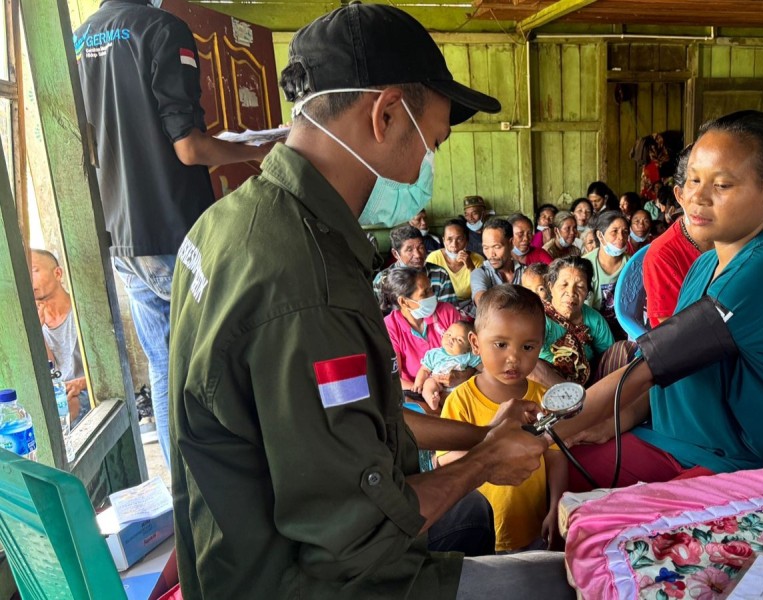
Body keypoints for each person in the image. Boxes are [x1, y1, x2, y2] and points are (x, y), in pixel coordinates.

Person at [168, 5, 572, 598]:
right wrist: (483, 466)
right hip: (311, 582)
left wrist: (480, 438)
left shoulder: (231, 222)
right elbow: (361, 540)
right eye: (431, 144)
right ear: (384, 114)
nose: (426, 167)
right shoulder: (308, 286)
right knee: (574, 583)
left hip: (245, 553)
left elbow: (353, 429)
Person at [553, 111, 763, 492]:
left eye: (721, 185)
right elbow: (669, 367)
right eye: (693, 181)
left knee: (600, 514)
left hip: (754, 459)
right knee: (561, 469)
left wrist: (544, 429)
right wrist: (615, 422)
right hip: (684, 440)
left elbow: (648, 367)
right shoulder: (704, 264)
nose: (697, 198)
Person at [75, 0, 272, 468]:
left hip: (121, 235)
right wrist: (263, 150)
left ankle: (184, 488)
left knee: (165, 369)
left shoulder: (79, 39)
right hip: (174, 230)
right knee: (221, 362)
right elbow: (189, 147)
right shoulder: (162, 28)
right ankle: (234, 486)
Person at [438, 286, 566, 552]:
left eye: (528, 346)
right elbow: (444, 462)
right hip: (481, 530)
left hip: (534, 525)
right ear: (475, 343)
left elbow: (556, 457)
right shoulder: (461, 400)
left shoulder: (543, 400)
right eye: (500, 344)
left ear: (540, 346)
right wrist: (491, 446)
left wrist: (557, 507)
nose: (514, 358)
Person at [643, 144, 710, 329]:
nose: (706, 198)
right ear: (680, 195)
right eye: (695, 183)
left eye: (721, 186)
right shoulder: (662, 256)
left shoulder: (736, 237)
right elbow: (675, 337)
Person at [381, 268, 466, 390]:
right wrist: (426, 391)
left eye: (431, 289)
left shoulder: (446, 312)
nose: (432, 296)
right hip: (416, 392)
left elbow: (472, 353)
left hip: (456, 388)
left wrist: (461, 376)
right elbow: (393, 379)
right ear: (404, 302)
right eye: (425, 293)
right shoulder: (391, 326)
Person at [29, 250, 87, 426]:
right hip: (61, 392)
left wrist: (80, 384)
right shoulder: (36, 320)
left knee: (66, 408)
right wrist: (36, 332)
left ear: (58, 273)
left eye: (34, 270)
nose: (29, 279)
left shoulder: (82, 309)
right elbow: (52, 370)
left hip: (86, 390)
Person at [536, 257, 614, 386]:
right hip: (549, 387)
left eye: (580, 286)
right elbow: (528, 363)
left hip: (591, 385)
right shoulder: (539, 318)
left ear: (588, 293)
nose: (571, 293)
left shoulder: (595, 319)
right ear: (550, 287)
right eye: (564, 285)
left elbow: (609, 357)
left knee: (622, 350)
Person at [372, 225, 458, 309]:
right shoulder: (382, 281)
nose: (417, 255)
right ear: (395, 254)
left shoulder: (440, 274)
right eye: (409, 250)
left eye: (421, 247)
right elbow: (377, 317)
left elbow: (450, 314)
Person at [583, 210, 630, 340]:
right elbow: (584, 310)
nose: (621, 237)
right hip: (594, 328)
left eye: (625, 232)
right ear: (600, 235)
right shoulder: (586, 265)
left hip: (625, 325)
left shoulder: (632, 264)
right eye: (614, 232)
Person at [414, 321, 481, 411]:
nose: (451, 339)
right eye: (449, 334)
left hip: (460, 387)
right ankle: (432, 399)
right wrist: (418, 383)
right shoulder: (434, 354)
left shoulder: (468, 356)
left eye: (459, 340)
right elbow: (425, 370)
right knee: (428, 383)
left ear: (468, 347)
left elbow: (483, 369)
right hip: (437, 383)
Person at [426, 218, 484, 314]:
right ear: (443, 240)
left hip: (468, 308)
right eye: (449, 239)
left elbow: (482, 291)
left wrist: (471, 267)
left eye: (460, 239)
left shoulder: (477, 260)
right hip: (439, 308)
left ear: (466, 241)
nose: (454, 245)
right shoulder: (433, 258)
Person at [470, 219, 526, 306]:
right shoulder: (479, 273)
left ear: (511, 243)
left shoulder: (525, 272)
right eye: (486, 248)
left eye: (497, 247)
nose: (491, 254)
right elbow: (481, 301)